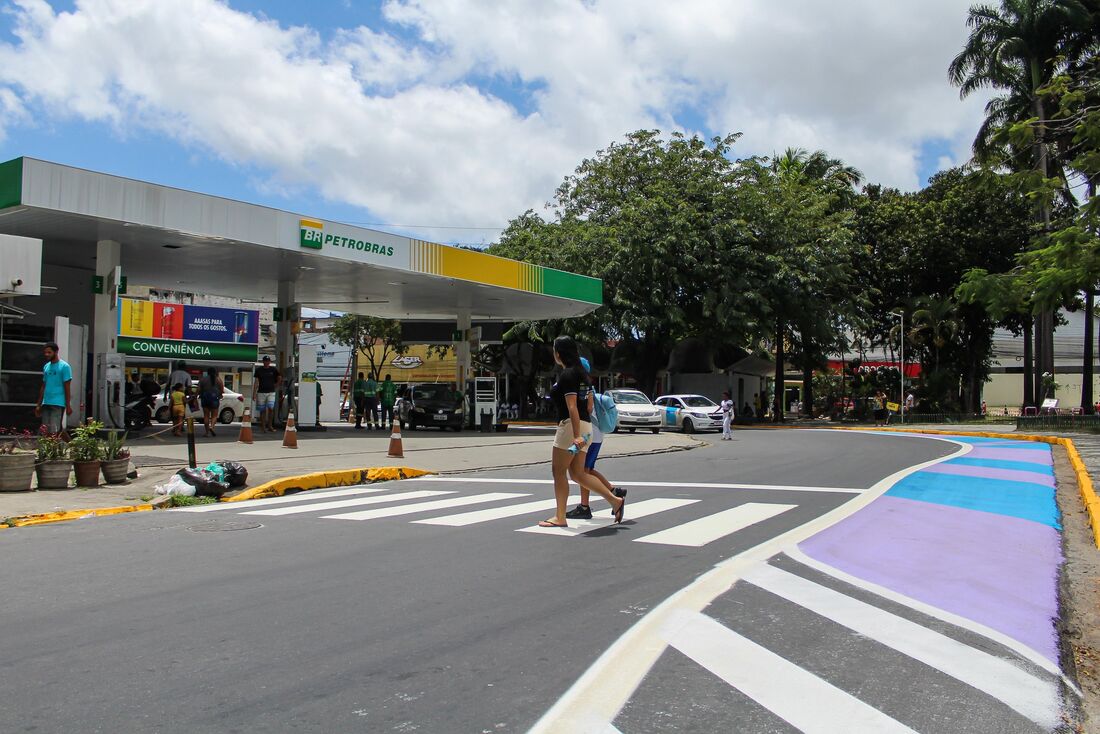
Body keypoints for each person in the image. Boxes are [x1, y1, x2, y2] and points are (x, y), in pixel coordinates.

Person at [539, 336, 625, 528]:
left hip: (571, 427)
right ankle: (614, 500)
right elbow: (587, 406)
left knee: (558, 472)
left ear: (558, 353)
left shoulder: (568, 375)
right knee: (578, 474)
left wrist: (576, 435)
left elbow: (572, 407)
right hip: (586, 427)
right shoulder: (583, 375)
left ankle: (560, 517)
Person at [566, 357, 626, 521]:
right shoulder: (588, 385)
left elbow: (588, 408)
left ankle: (586, 506)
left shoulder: (583, 386)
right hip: (595, 435)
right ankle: (613, 491)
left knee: (582, 471)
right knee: (587, 470)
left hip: (588, 435)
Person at [36, 341, 72, 435]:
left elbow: (67, 387)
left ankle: (55, 449)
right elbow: (44, 385)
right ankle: (73, 446)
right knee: (46, 430)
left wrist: (68, 405)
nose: (46, 354)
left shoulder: (64, 367)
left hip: (58, 403)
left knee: (54, 431)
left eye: (49, 352)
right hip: (46, 402)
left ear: (56, 352)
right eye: (45, 352)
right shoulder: (46, 367)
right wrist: (38, 404)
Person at [253, 356, 281, 433]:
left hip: (271, 392)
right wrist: (254, 393)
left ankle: (270, 425)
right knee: (262, 410)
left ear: (270, 362)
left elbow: (279, 377)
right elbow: (256, 382)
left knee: (271, 408)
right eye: (265, 361)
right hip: (261, 392)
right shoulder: (259, 370)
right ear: (263, 361)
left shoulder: (273, 370)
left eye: (268, 361)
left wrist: (277, 384)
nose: (266, 362)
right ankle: (263, 426)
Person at [198, 367, 224, 437]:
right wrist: (220, 394)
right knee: (214, 416)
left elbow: (199, 389)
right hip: (214, 398)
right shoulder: (218, 379)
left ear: (208, 372)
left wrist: (197, 396)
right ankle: (212, 427)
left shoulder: (203, 379)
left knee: (206, 416)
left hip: (205, 398)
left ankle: (206, 432)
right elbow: (222, 390)